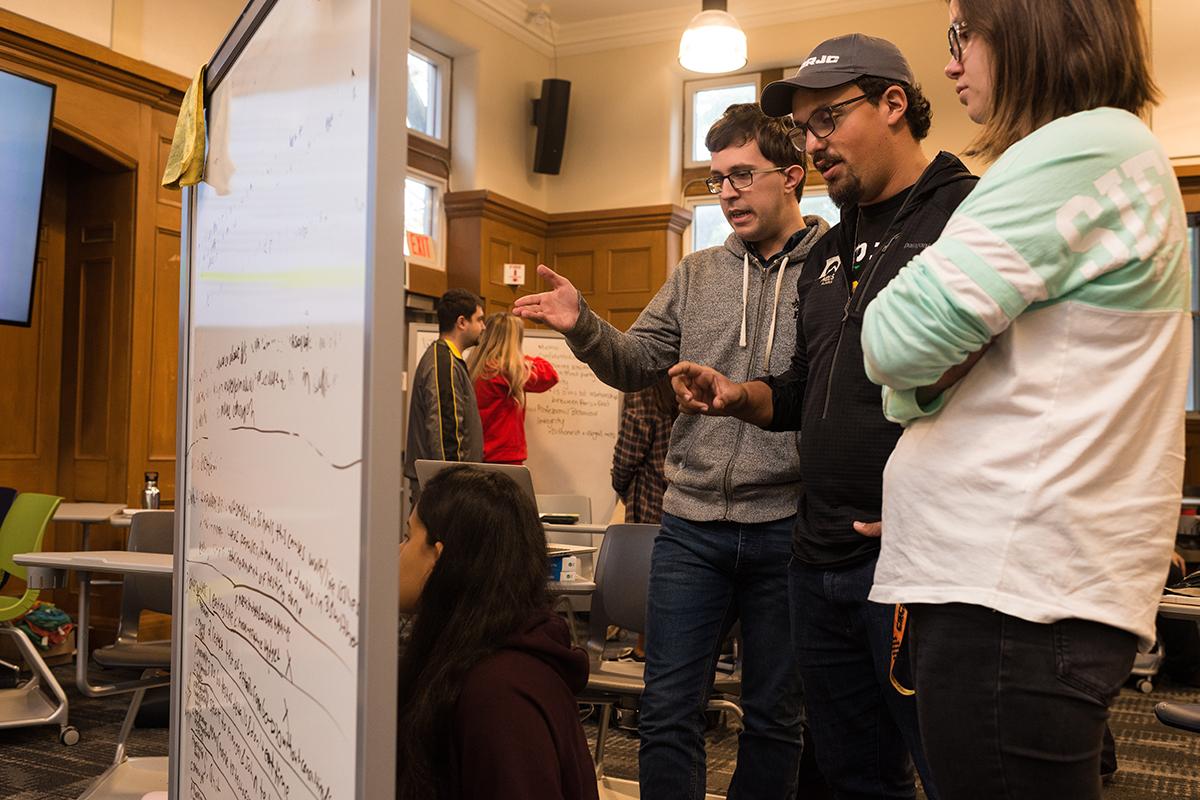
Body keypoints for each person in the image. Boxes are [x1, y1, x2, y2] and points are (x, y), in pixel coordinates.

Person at [857, 1, 1190, 797]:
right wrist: (927, 385)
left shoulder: (1083, 146)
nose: (950, 63)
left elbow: (892, 340)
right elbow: (925, 373)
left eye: (961, 35)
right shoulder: (1102, 152)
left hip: (1014, 599)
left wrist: (919, 382)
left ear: (1034, 25)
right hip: (1015, 589)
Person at [670, 33, 977, 799]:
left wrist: (941, 504)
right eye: (806, 129)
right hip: (818, 558)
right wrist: (741, 396)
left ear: (894, 104)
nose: (814, 144)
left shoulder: (964, 215)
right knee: (851, 777)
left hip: (916, 562)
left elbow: (1008, 391)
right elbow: (807, 390)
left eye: (829, 119)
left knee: (951, 774)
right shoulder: (831, 250)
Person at [514, 103, 830, 799]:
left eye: (742, 175)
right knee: (665, 712)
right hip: (690, 528)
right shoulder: (697, 274)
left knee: (776, 719)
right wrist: (582, 325)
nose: (727, 193)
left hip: (787, 522)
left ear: (793, 177)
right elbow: (634, 363)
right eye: (717, 179)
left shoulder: (831, 271)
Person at [395, 465, 598, 800]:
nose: (398, 551)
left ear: (439, 558)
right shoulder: (465, 658)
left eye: (407, 535)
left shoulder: (499, 695)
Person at [611, 377, 679, 663]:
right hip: (687, 498)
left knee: (649, 579)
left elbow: (629, 452)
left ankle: (644, 652)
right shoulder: (687, 381)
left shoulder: (643, 388)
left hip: (650, 497)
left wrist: (620, 483)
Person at [403, 289, 486, 496]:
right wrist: (454, 487)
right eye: (480, 320)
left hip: (443, 486)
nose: (483, 327)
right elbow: (445, 433)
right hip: (442, 489)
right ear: (461, 322)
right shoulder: (443, 363)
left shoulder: (448, 360)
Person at [467, 312, 559, 464]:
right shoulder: (508, 371)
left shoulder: (476, 365)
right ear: (514, 341)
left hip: (477, 451)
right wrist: (520, 359)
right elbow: (550, 375)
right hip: (504, 456)